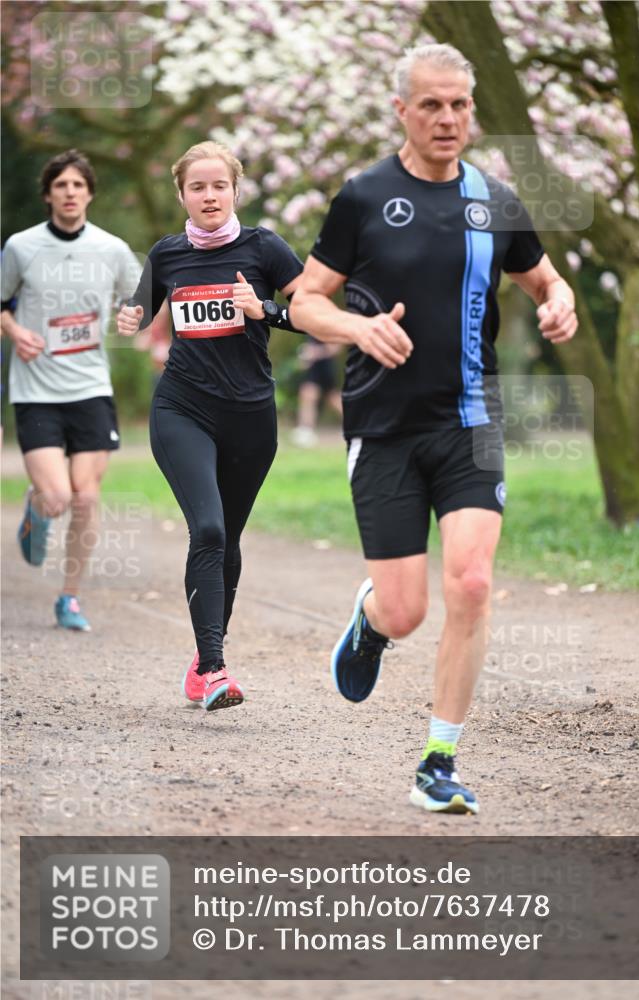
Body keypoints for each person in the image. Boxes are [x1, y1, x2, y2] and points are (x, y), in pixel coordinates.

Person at [291, 43, 577, 814]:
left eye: (458, 105)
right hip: (382, 426)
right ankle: (374, 621)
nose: (447, 118)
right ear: (401, 112)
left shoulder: (495, 201)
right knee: (408, 608)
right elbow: (304, 300)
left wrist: (558, 301)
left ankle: (438, 760)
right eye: (431, 105)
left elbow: (544, 277)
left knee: (474, 583)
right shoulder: (361, 196)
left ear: (471, 112)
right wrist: (355, 330)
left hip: (471, 421)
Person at [118, 141, 303, 712]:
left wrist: (266, 311)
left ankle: (201, 662)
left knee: (229, 539)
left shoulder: (266, 248)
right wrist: (129, 316)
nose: (209, 196)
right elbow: (139, 311)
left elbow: (314, 312)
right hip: (183, 409)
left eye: (218, 185)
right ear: (182, 195)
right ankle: (217, 669)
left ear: (235, 190)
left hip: (251, 416)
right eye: (197, 187)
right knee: (210, 529)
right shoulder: (168, 255)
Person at [1, 149, 140, 631]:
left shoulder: (112, 249)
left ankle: (69, 598)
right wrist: (15, 331)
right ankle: (36, 508)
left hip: (90, 388)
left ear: (90, 193)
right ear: (48, 195)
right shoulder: (21, 247)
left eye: (78, 185)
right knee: (58, 496)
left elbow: (139, 300)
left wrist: (131, 317)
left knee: (85, 498)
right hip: (36, 389)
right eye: (60, 185)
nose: (69, 192)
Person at [291, 336, 342, 447]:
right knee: (308, 394)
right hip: (314, 366)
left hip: (325, 366)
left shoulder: (330, 323)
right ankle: (305, 430)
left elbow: (335, 348)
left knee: (332, 398)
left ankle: (355, 423)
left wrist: (314, 352)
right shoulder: (310, 324)